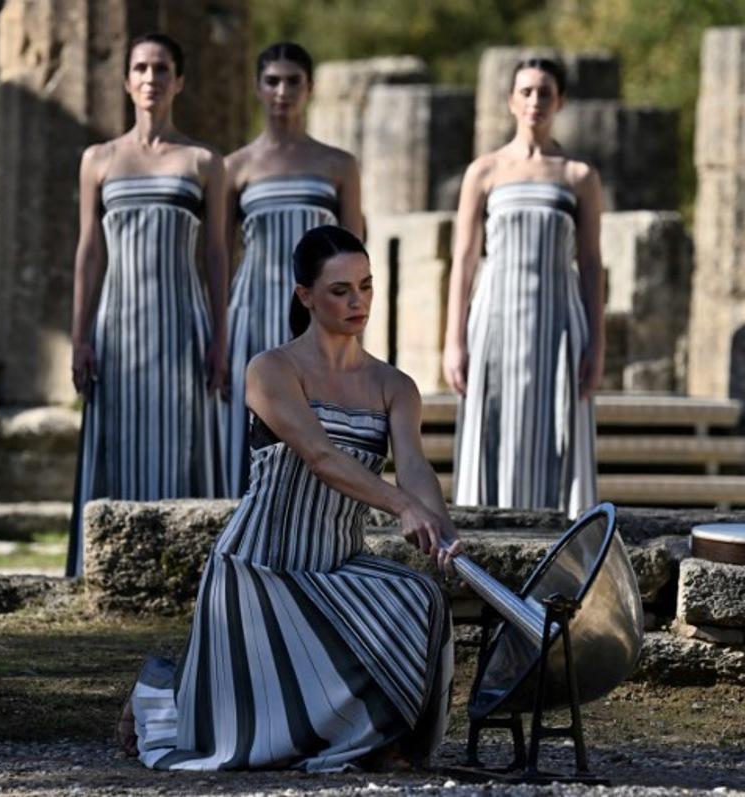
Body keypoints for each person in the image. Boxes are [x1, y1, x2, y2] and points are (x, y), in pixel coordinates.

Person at [118, 225, 460, 771]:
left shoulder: (394, 385)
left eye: (366, 286)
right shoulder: (271, 369)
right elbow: (321, 457)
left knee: (420, 597)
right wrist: (400, 506)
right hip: (258, 569)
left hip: (336, 563)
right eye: (340, 290)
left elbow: (415, 469)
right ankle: (161, 699)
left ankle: (381, 741)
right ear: (305, 295)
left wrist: (441, 530)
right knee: (246, 741)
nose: (358, 301)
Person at [66, 33, 228, 578]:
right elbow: (89, 252)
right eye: (141, 68)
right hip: (116, 327)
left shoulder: (204, 162)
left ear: (178, 80)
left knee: (182, 440)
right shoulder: (99, 159)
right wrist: (80, 336)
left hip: (183, 323)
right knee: (116, 440)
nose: (151, 78)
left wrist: (221, 337)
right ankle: (108, 570)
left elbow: (216, 253)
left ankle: (187, 572)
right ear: (127, 80)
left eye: (162, 68)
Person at [443, 57, 602, 517]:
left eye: (545, 92)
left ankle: (559, 543)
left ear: (560, 101)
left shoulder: (579, 176)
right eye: (527, 91)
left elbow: (591, 263)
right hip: (494, 316)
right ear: (512, 100)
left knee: (557, 430)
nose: (536, 101)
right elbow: (465, 261)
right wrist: (454, 341)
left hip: (559, 321)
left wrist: (598, 344)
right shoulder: (485, 171)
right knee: (491, 423)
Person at [223, 42, 364, 496]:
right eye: (272, 81)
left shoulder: (339, 165)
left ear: (310, 89)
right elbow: (222, 255)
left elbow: (355, 252)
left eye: (293, 81)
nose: (282, 91)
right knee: (251, 430)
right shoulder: (235, 166)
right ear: (258, 88)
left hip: (315, 317)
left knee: (320, 426)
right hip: (252, 309)